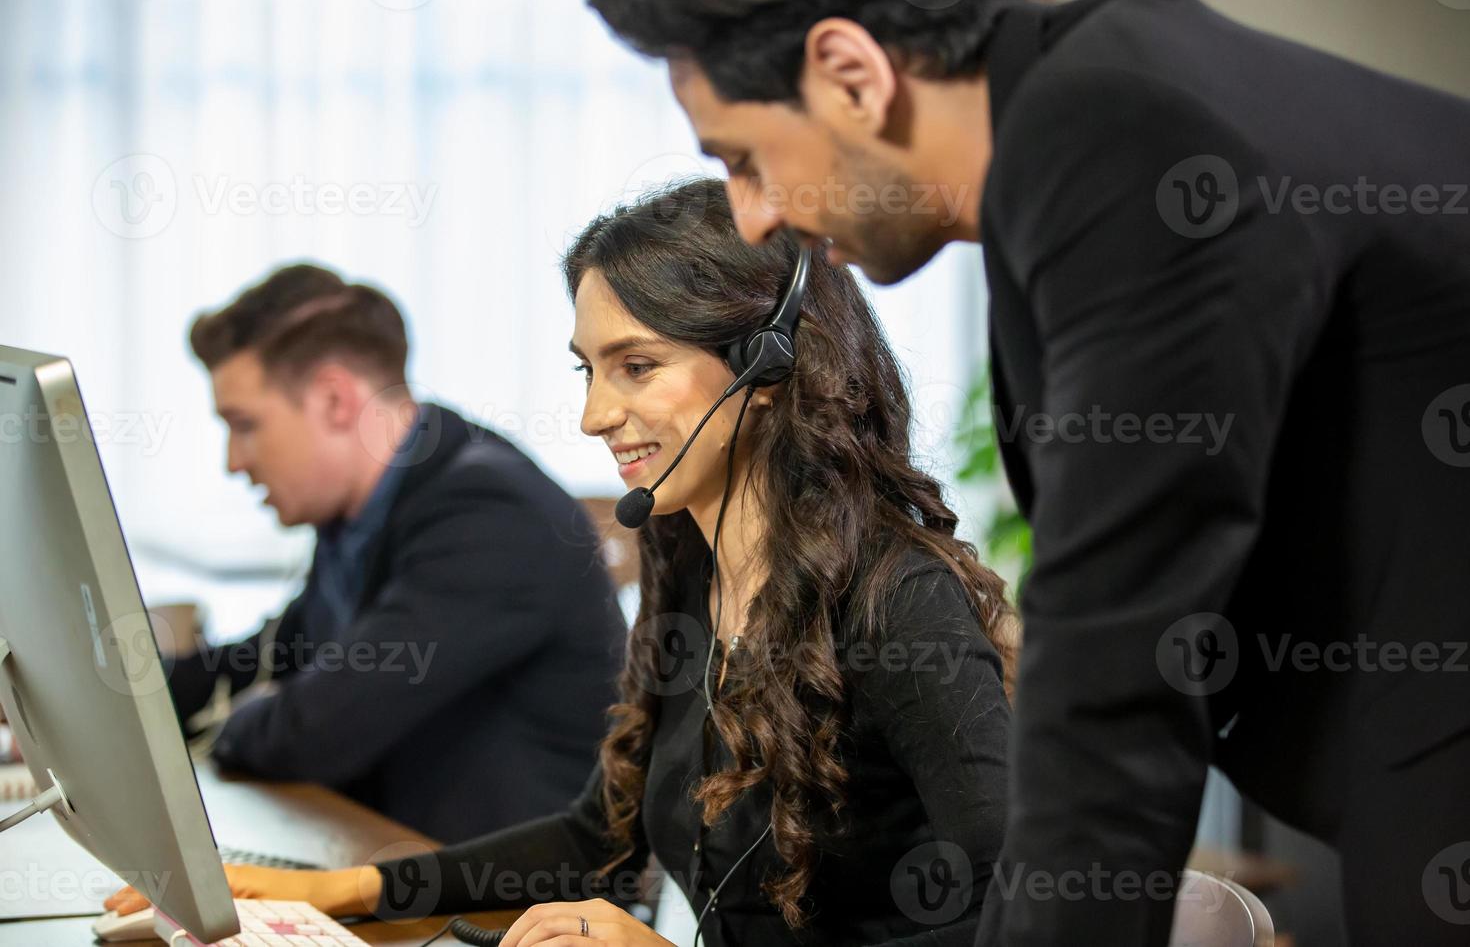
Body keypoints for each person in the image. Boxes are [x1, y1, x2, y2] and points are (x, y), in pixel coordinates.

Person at [586, 0, 1470, 943]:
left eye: (745, 158)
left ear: (850, 72)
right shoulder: (1102, 94)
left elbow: (1115, 682)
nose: (753, 214)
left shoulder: (1118, 136)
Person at [111, 179, 1015, 945]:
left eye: (636, 366)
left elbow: (1024, 909)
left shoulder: (899, 602)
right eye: (588, 369)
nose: (593, 416)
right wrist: (338, 893)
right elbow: (599, 834)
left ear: (765, 367)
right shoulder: (695, 563)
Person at [167, 263, 626, 843]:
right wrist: (117, 690)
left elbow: (318, 729)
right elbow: (273, 656)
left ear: (335, 400)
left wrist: (233, 726)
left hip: (509, 916)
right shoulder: (367, 511)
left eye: (244, 425)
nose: (234, 460)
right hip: (397, 865)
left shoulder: (489, 515)